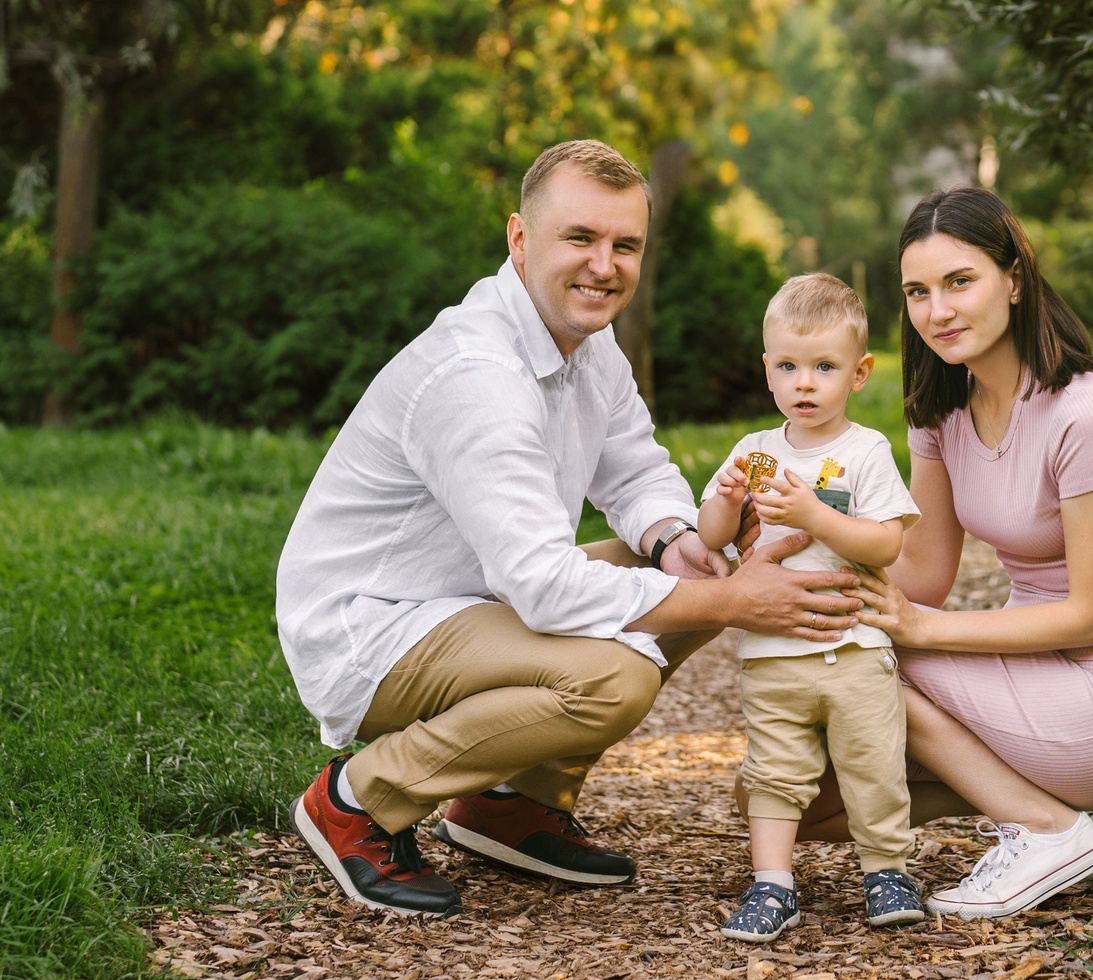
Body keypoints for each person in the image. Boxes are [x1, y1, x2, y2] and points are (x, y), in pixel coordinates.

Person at [276, 140, 868, 917]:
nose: (605, 265)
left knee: (705, 565)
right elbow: (545, 588)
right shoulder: (477, 376)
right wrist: (734, 604)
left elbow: (634, 469)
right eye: (580, 239)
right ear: (520, 239)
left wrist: (676, 541)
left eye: (625, 245)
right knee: (610, 678)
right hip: (373, 625)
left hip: (466, 598)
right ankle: (357, 800)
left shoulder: (587, 341)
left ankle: (508, 806)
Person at [828, 186, 1093, 919]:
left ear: (1014, 279)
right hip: (1030, 670)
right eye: (917, 292)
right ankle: (1044, 795)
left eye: (960, 282)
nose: (938, 311)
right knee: (801, 797)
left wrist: (916, 629)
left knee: (868, 658)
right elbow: (923, 573)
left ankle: (1049, 828)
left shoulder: (1086, 413)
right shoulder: (941, 409)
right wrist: (814, 544)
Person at [694, 275, 925, 942]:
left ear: (859, 373)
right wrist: (724, 499)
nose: (805, 382)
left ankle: (886, 869)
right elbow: (712, 539)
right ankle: (773, 882)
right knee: (773, 770)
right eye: (789, 366)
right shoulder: (754, 452)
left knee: (874, 763)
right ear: (768, 370)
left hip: (854, 648)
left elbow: (884, 541)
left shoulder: (865, 451)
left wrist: (816, 517)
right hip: (773, 653)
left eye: (824, 367)